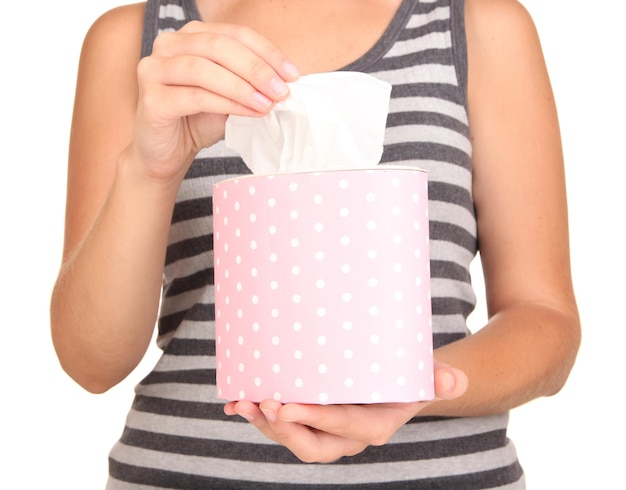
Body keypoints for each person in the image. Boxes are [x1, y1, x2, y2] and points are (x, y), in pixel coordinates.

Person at [50, 0, 581, 487]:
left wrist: (419, 389)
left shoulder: (477, 26)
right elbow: (92, 362)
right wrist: (151, 170)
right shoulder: (135, 41)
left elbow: (545, 320)